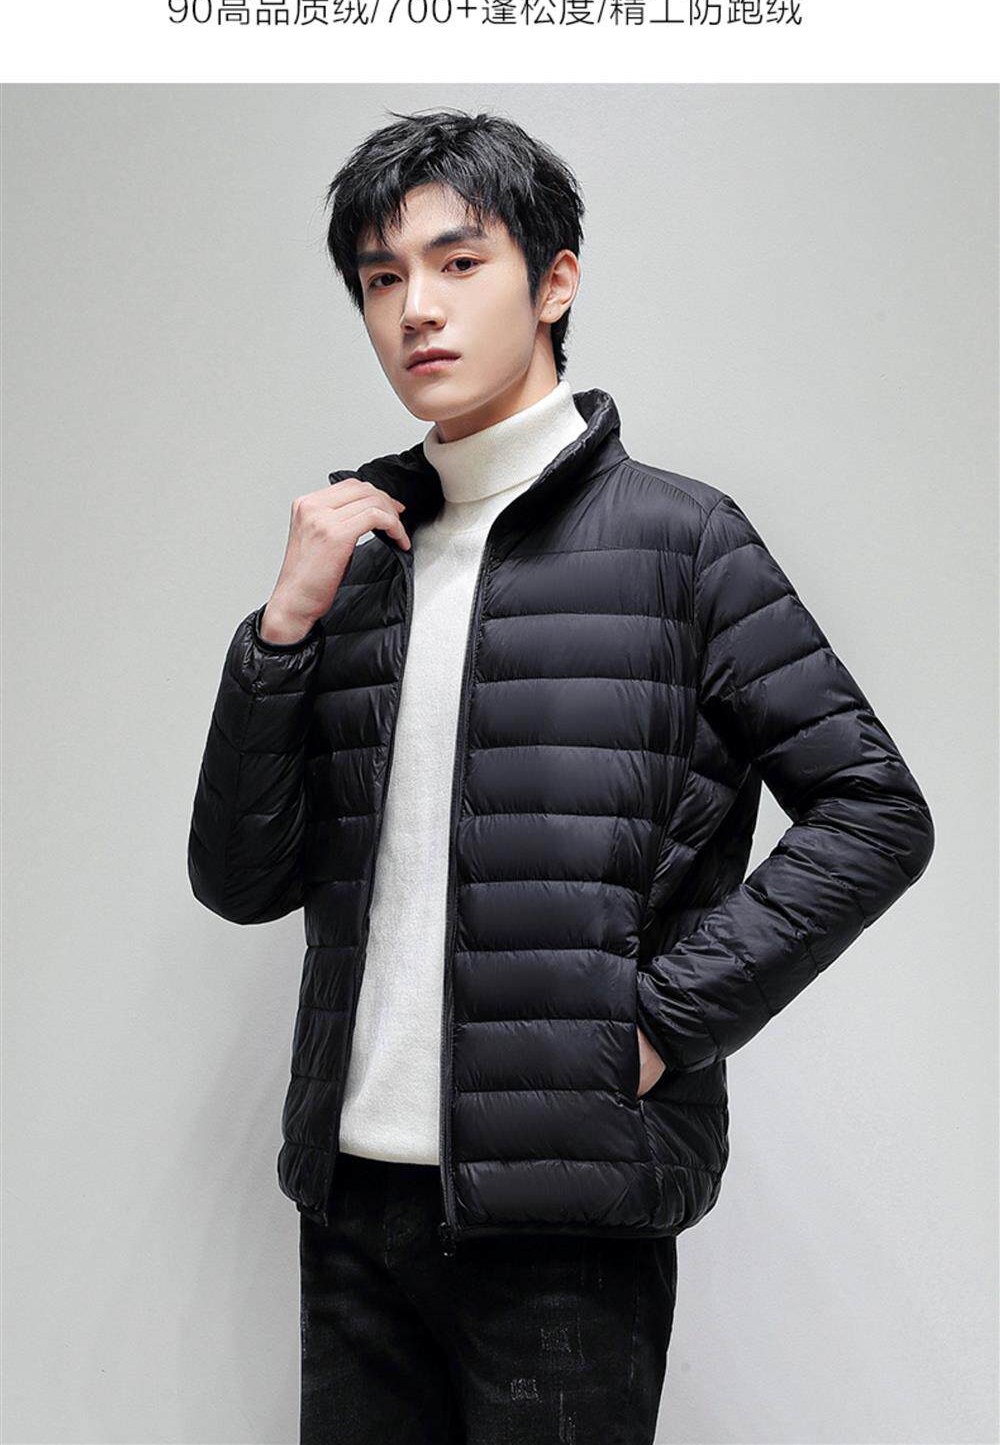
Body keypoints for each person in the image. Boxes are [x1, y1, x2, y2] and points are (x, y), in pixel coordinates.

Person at [187, 110, 935, 1444]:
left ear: (554, 281)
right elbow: (241, 880)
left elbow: (875, 811)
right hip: (354, 1204)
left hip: (568, 1222)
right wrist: (281, 635)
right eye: (380, 276)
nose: (416, 307)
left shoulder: (681, 541)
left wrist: (657, 1023)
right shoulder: (356, 556)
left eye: (458, 261)